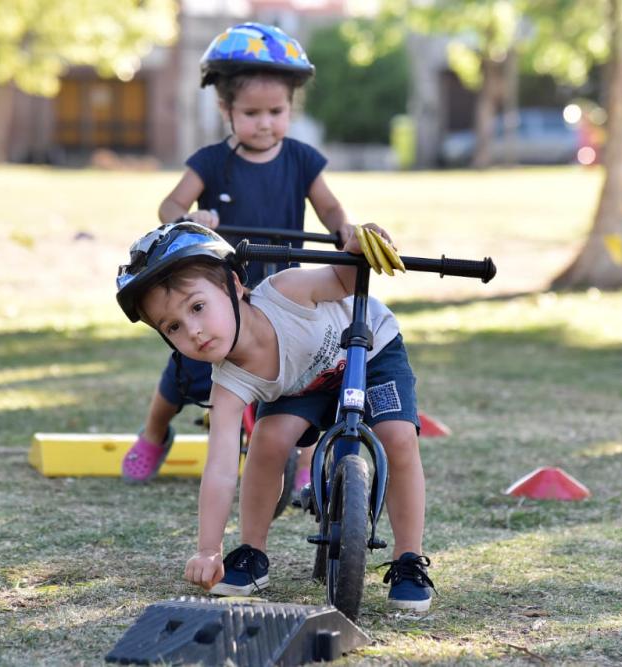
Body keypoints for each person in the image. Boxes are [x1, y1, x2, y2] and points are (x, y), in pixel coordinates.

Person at [116, 221, 436, 612]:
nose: (194, 332)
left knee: (398, 436)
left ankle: (408, 559)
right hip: (302, 388)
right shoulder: (228, 384)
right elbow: (218, 468)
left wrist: (357, 246)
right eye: (174, 327)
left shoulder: (286, 293)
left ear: (234, 287)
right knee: (267, 442)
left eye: (198, 307)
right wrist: (208, 549)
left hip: (370, 352)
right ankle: (252, 551)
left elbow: (345, 277)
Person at [121, 23, 355, 484]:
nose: (265, 122)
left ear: (291, 108)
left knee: (301, 377)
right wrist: (192, 217)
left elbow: (327, 205)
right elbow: (170, 204)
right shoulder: (211, 161)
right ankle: (153, 433)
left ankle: (305, 466)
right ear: (225, 108)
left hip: (280, 296)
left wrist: (341, 228)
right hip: (220, 289)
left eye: (276, 111)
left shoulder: (302, 159)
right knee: (187, 370)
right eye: (251, 112)